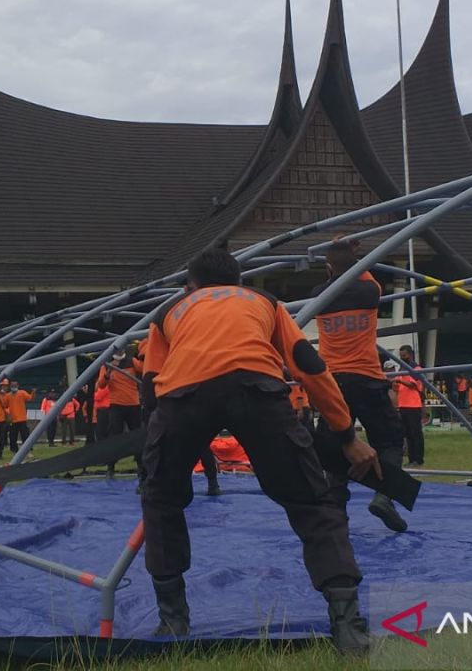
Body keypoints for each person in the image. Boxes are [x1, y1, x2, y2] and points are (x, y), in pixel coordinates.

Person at [139, 248, 379, 653]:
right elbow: (309, 366)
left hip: (182, 396)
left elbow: (150, 383)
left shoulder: (170, 310)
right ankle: (347, 623)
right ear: (239, 282)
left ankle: (173, 620)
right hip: (257, 389)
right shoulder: (264, 302)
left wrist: (155, 444)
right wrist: (345, 435)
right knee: (312, 501)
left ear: (190, 286)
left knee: (160, 500)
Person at [311, 239, 408, 531]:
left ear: (329, 269)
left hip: (333, 383)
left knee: (334, 446)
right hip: (366, 378)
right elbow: (359, 273)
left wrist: (336, 260)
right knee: (390, 441)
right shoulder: (370, 290)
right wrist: (352, 256)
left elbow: (335, 280)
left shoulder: (319, 296)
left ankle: (336, 511)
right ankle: (384, 496)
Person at [102, 350, 142, 477]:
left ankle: (141, 465)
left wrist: (142, 356)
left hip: (133, 404)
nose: (120, 351)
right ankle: (111, 466)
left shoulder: (131, 361)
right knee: (114, 436)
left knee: (137, 435)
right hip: (116, 405)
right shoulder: (107, 363)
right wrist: (109, 370)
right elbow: (101, 385)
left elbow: (143, 369)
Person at [394, 346, 425, 468]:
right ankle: (412, 458)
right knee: (407, 434)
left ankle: (418, 459)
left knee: (415, 433)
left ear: (410, 355)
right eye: (401, 356)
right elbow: (399, 388)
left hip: (413, 405)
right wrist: (394, 384)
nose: (402, 358)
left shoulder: (415, 368)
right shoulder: (402, 368)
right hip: (403, 404)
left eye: (404, 356)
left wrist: (400, 381)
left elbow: (413, 385)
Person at [4, 381, 34, 453]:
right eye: (12, 386)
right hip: (13, 420)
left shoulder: (22, 393)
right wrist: (8, 414)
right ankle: (14, 449)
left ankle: (28, 448)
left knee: (25, 435)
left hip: (22, 419)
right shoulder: (8, 396)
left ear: (18, 386)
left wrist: (33, 393)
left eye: (15, 386)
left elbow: (30, 398)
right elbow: (5, 406)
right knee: (13, 436)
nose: (13, 387)